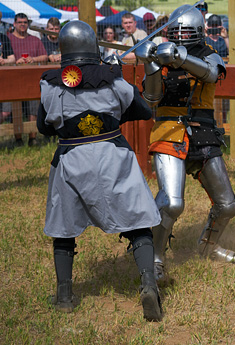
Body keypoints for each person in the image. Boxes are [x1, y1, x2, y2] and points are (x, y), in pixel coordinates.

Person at [36, 20, 162, 321]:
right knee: (137, 220)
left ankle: (65, 295)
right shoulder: (113, 80)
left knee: (63, 227)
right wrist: (114, 74)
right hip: (112, 157)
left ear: (63, 49)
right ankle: (148, 284)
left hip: (71, 159)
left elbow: (43, 128)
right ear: (94, 46)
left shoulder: (51, 85)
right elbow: (144, 110)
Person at [136, 4, 235, 286]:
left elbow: (209, 73)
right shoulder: (161, 58)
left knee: (228, 205)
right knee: (171, 203)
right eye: (175, 33)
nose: (180, 37)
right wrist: (150, 64)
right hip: (169, 133)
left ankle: (209, 246)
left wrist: (180, 58)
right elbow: (153, 99)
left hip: (204, 135)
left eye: (185, 32)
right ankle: (154, 260)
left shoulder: (211, 55)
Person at [8, 13, 48, 146]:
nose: (23, 24)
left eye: (25, 22)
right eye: (20, 22)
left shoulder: (35, 40)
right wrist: (14, 62)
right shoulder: (8, 39)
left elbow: (44, 57)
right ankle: (18, 138)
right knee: (14, 109)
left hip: (31, 82)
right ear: (14, 24)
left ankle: (32, 137)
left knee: (34, 108)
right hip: (12, 81)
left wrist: (33, 59)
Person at [0, 31, 16, 124]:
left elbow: (12, 59)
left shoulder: (4, 38)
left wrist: (4, 61)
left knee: (6, 112)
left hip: (3, 79)